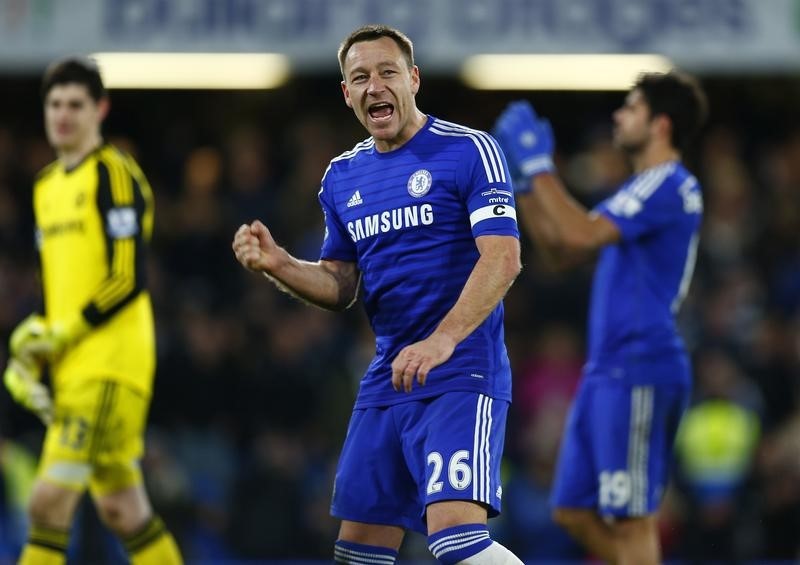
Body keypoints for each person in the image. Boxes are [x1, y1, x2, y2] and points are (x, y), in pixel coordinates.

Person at [233, 24, 525, 565]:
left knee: (457, 542)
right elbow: (340, 285)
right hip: (388, 377)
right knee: (357, 555)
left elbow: (503, 258)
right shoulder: (342, 177)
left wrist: (442, 341)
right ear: (346, 93)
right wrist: (279, 265)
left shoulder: (469, 151)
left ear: (413, 79)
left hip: (463, 372)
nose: (374, 87)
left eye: (387, 72)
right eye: (359, 77)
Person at [493, 71, 708, 564]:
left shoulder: (669, 184)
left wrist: (541, 165)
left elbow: (581, 236)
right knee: (572, 512)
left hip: (641, 363)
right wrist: (525, 185)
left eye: (631, 107)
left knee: (630, 519)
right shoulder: (639, 190)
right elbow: (561, 251)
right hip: (607, 369)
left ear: (661, 125)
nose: (618, 115)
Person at [2, 56, 182, 565]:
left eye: (75, 105)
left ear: (99, 109)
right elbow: (58, 286)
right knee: (124, 510)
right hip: (72, 366)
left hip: (110, 362)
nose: (63, 115)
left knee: (45, 504)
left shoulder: (114, 174)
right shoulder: (44, 187)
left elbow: (128, 277)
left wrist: (63, 335)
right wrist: (36, 346)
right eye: (55, 104)